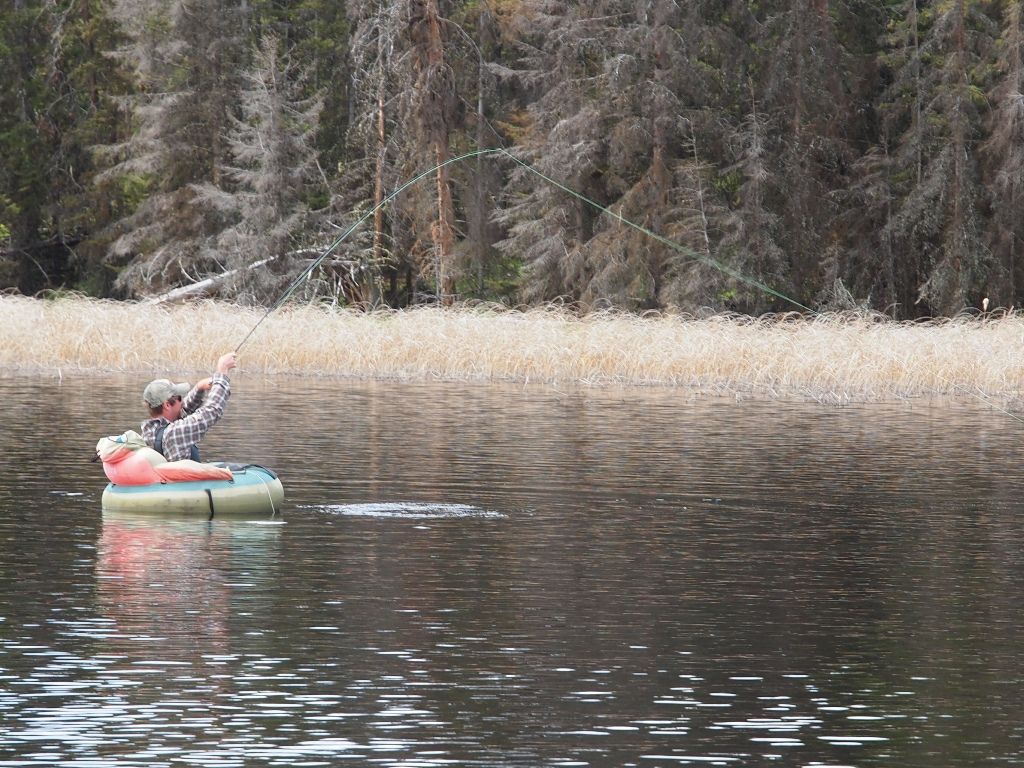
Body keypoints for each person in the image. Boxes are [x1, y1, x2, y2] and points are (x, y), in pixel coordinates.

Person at [141, 352, 238, 462]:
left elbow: (183, 409)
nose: (183, 400)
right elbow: (211, 411)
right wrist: (222, 372)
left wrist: (199, 387)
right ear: (167, 405)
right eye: (179, 397)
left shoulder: (149, 431)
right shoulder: (175, 433)